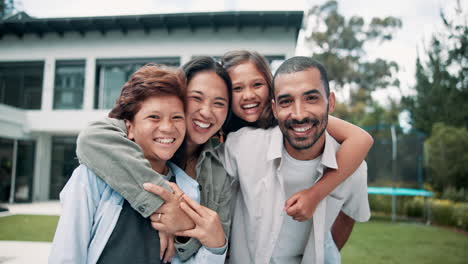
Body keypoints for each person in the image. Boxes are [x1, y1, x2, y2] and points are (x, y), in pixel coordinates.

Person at [76, 53, 372, 261]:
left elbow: (358, 139)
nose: (207, 111)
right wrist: (164, 206)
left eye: (219, 102)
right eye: (197, 98)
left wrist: (183, 228)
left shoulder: (224, 155)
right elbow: (93, 138)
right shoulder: (147, 137)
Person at [49, 63, 229, 264]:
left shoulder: (188, 192)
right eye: (154, 117)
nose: (167, 128)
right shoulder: (91, 178)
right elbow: (67, 254)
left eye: (177, 118)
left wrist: (215, 246)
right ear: (129, 127)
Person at [221, 56, 370, 263]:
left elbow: (348, 215)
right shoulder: (238, 144)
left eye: (311, 98)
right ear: (275, 108)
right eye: (286, 101)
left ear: (331, 102)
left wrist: (321, 251)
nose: (299, 114)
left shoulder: (352, 165)